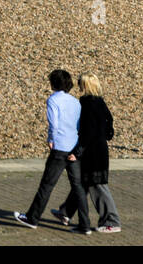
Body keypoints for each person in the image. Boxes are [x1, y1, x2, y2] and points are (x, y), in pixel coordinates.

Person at [14, 69, 93, 232]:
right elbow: (78, 126)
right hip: (73, 147)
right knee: (78, 187)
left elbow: (54, 124)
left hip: (60, 147)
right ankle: (85, 225)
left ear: (53, 83)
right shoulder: (75, 102)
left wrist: (50, 139)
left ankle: (32, 218)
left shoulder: (53, 100)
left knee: (47, 185)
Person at [57, 73, 121, 232]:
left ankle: (111, 221)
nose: (77, 85)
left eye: (80, 82)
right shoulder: (99, 102)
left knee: (97, 185)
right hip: (100, 148)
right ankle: (66, 212)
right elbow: (109, 122)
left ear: (84, 85)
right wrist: (105, 135)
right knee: (84, 182)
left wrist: (78, 152)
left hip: (92, 151)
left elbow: (87, 132)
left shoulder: (87, 104)